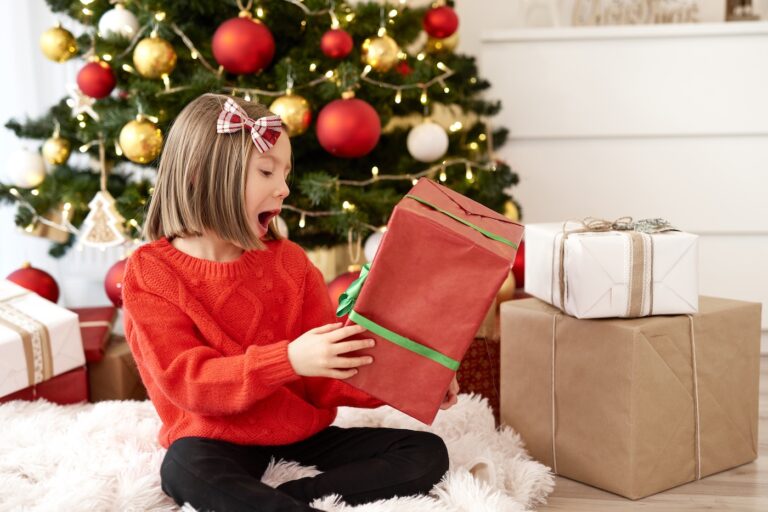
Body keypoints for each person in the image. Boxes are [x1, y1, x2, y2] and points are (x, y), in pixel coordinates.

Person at [122, 93, 459, 512]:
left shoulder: (289, 263)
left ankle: (290, 502)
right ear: (201, 175)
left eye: (285, 173)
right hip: (212, 437)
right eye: (266, 171)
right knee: (182, 468)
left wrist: (417, 382)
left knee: (426, 452)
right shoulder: (151, 272)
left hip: (301, 432)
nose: (283, 188)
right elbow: (188, 383)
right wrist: (288, 360)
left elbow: (332, 367)